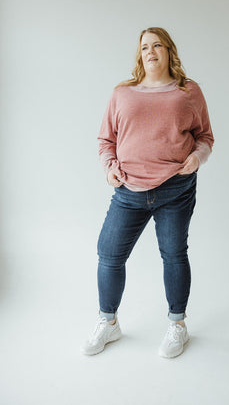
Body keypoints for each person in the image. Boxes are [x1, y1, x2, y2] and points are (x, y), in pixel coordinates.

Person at [81, 27, 214, 358]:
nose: (150, 51)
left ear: (169, 51)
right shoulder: (122, 93)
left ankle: (177, 325)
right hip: (129, 190)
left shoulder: (188, 91)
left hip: (175, 188)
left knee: (173, 253)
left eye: (157, 45)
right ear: (139, 55)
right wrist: (109, 165)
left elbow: (205, 136)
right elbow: (105, 140)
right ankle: (109, 322)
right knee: (109, 254)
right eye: (144, 47)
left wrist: (196, 158)